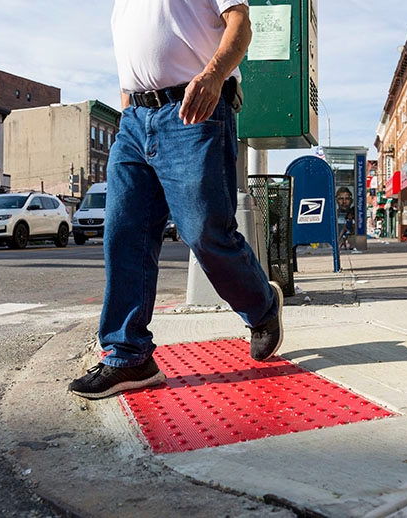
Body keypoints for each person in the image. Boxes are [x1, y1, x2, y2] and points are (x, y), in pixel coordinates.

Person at [69, 0, 284, 400]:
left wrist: (214, 76)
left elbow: (241, 25)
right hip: (134, 121)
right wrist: (128, 113)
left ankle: (263, 306)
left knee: (205, 232)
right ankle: (128, 354)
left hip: (193, 109)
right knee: (123, 233)